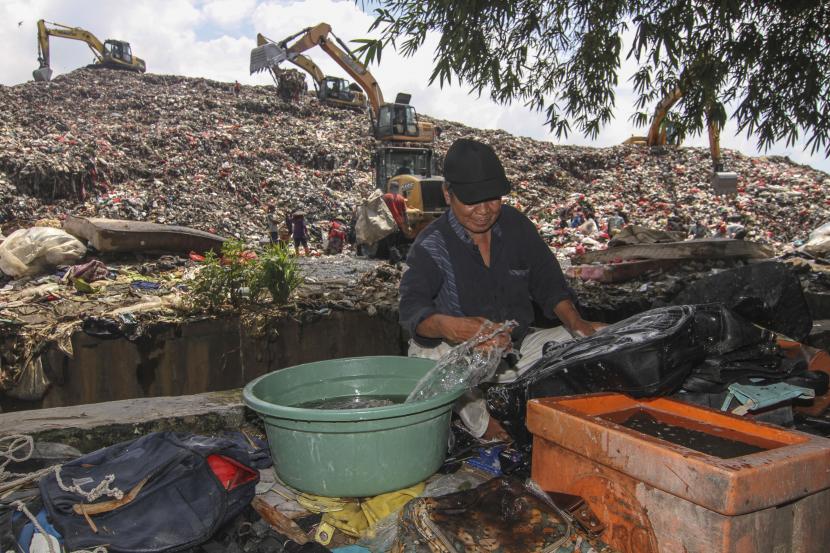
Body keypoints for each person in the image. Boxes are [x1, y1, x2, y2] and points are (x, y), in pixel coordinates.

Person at [399, 138, 603, 437]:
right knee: (424, 354)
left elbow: (549, 282)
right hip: (464, 365)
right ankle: (482, 424)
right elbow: (411, 309)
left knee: (604, 339)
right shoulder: (431, 246)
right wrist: (450, 327)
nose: (484, 210)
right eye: (472, 200)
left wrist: (577, 324)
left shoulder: (516, 227)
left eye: (493, 199)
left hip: (516, 354)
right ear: (447, 194)